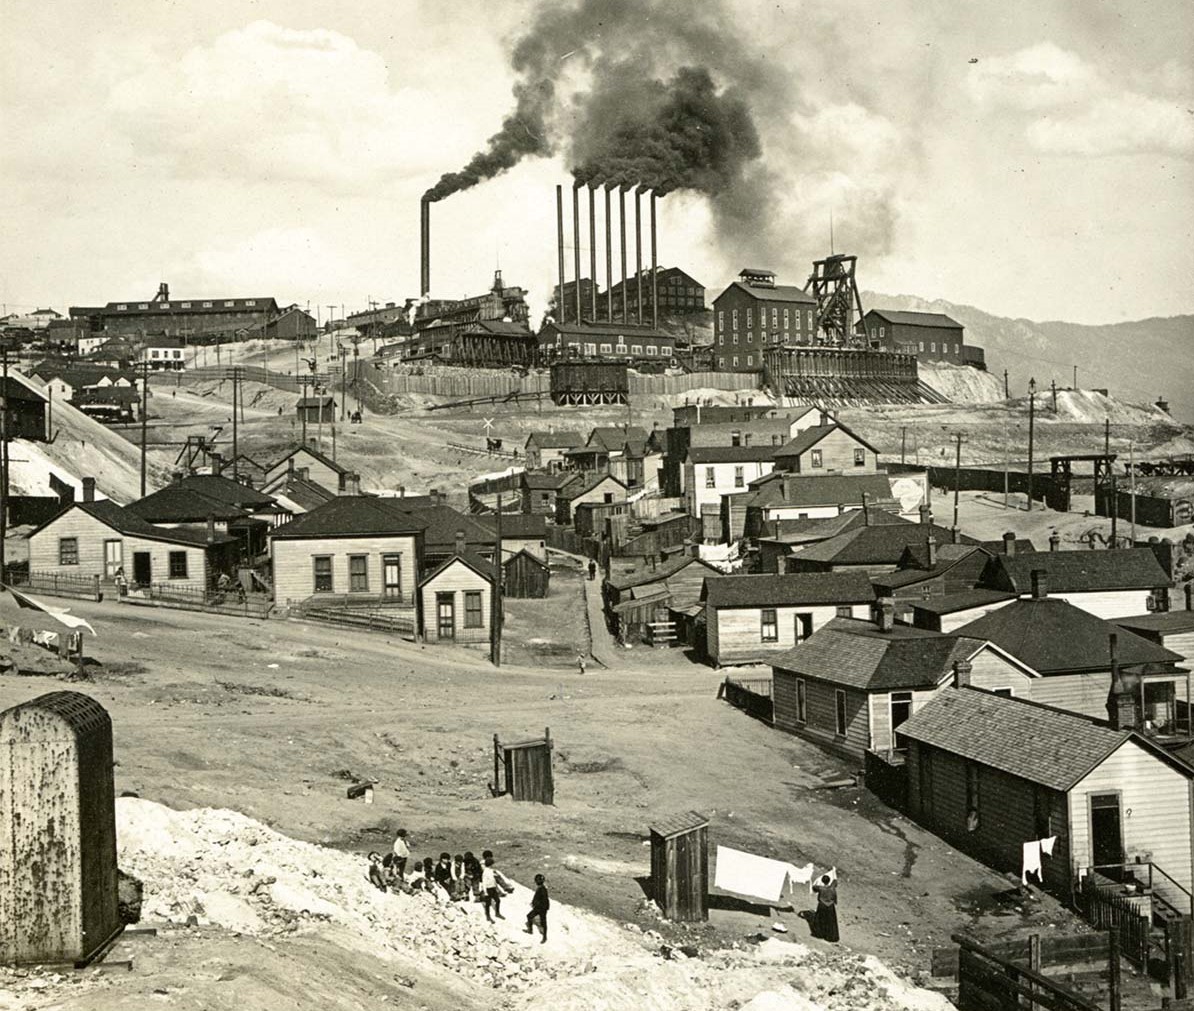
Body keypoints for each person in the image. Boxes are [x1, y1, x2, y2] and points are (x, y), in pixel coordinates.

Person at [480, 854, 514, 923]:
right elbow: (484, 882)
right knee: (488, 903)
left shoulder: (491, 870)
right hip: (488, 889)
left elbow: (493, 879)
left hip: (493, 888)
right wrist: (485, 892)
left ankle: (497, 913)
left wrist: (495, 885)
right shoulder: (485, 872)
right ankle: (488, 916)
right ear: (490, 864)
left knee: (498, 900)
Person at [812, 873, 839, 943]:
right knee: (830, 921)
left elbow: (814, 887)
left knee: (821, 920)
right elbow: (835, 881)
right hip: (830, 906)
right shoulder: (832, 887)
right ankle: (830, 937)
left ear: (822, 881)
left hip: (822, 905)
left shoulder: (820, 888)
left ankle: (820, 934)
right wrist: (834, 872)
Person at [524, 874, 549, 944]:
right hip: (539, 907)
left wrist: (536, 905)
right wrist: (533, 903)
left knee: (543, 922)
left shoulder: (542, 889)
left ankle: (544, 937)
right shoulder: (541, 888)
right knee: (529, 916)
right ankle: (530, 930)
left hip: (541, 908)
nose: (536, 882)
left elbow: (544, 900)